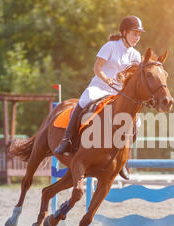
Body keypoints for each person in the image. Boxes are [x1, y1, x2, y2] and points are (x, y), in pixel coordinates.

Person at [54, 15, 145, 179]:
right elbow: (97, 67)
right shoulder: (111, 46)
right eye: (134, 33)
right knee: (83, 100)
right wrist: (106, 79)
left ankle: (122, 159)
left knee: (137, 121)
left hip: (119, 94)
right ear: (124, 32)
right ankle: (66, 140)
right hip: (100, 87)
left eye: (139, 34)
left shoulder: (136, 56)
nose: (137, 37)